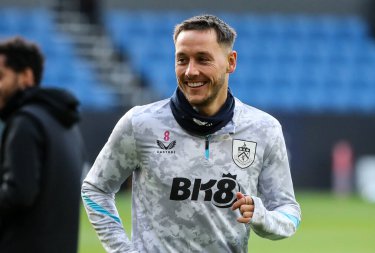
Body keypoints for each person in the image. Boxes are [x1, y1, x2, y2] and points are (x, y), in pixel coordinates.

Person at [82, 14, 301, 252]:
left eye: (202, 59)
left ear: (231, 61)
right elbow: (96, 188)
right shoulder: (141, 124)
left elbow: (289, 213)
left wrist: (262, 217)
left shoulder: (263, 129)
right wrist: (122, 249)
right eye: (182, 59)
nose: (190, 71)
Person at [0, 37, 86, 253]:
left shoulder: (25, 121)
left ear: (26, 76)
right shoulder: (67, 124)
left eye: (0, 77)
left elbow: (19, 193)